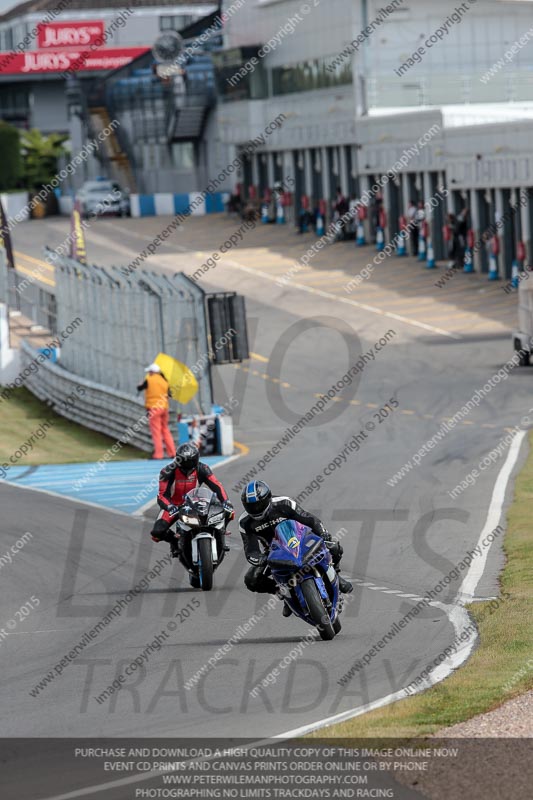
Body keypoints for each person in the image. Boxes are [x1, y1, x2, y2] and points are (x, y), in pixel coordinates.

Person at [239, 480, 353, 616]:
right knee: (251, 580)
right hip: (274, 552)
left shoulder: (284, 503)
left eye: (259, 505)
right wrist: (261, 559)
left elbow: (310, 519)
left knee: (334, 547)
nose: (256, 509)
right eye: (252, 507)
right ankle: (283, 593)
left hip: (300, 539)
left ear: (268, 498)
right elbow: (251, 550)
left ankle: (336, 576)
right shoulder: (245, 522)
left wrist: (323, 533)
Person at [150, 443, 234, 584]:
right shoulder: (167, 471)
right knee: (157, 532)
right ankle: (174, 541)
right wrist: (169, 506)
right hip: (174, 506)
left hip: (195, 503)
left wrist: (226, 501)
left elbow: (217, 486)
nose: (187, 470)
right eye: (184, 465)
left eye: (191, 465)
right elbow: (161, 495)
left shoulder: (203, 468)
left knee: (229, 512)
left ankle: (221, 533)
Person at [137, 363, 176, 460]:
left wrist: (140, 384)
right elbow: (170, 394)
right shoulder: (164, 381)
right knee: (165, 430)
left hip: (154, 408)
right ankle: (172, 452)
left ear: (152, 372)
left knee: (156, 432)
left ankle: (159, 454)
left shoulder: (149, 380)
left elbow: (139, 388)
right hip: (164, 408)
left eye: (149, 371)